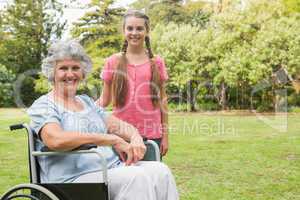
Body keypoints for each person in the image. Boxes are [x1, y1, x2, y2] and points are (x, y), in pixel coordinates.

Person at [27, 40, 179, 200]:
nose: (70, 74)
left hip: (109, 169)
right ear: (52, 72)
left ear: (83, 72)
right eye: (63, 68)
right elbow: (55, 140)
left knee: (160, 172)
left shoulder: (85, 102)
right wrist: (110, 140)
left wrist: (135, 137)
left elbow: (119, 126)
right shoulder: (44, 105)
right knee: (135, 176)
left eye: (75, 68)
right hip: (71, 179)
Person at [98, 10, 169, 157]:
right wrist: (81, 109)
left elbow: (163, 100)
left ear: (147, 31)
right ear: (124, 31)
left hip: (152, 134)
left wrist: (165, 136)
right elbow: (104, 101)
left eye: (139, 28)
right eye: (130, 28)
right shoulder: (113, 61)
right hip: (121, 135)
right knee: (121, 178)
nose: (134, 32)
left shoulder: (157, 62)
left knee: (151, 178)